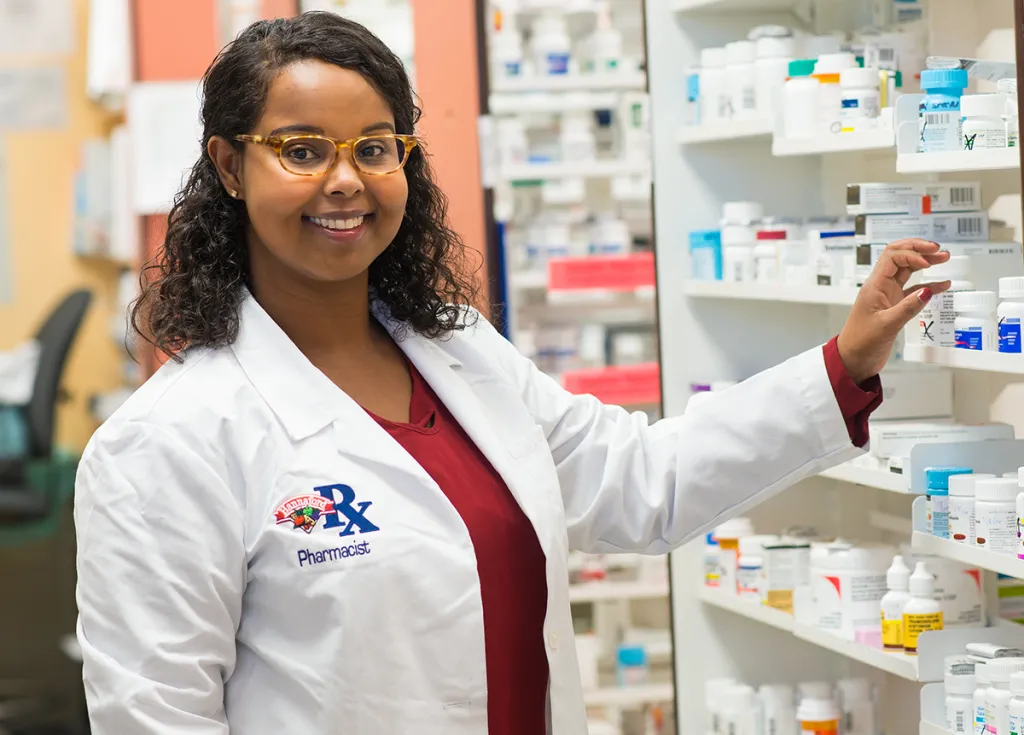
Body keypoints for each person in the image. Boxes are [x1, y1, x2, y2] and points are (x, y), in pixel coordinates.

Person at [73, 11, 950, 735]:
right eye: (302, 149)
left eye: (375, 148)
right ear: (230, 165)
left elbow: (638, 480)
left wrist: (846, 363)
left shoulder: (457, 351)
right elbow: (158, 721)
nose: (346, 180)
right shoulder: (167, 445)